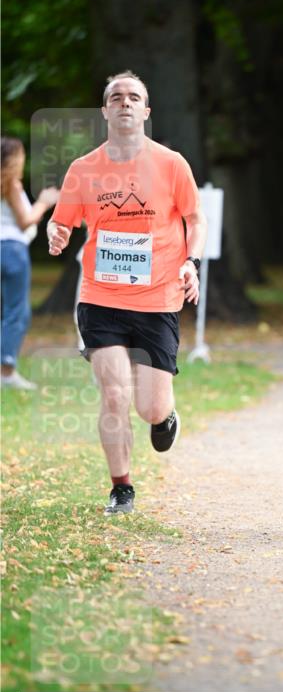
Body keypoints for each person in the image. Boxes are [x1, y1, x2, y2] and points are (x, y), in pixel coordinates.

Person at [47, 70, 207, 515]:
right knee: (114, 393)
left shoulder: (171, 163)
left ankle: (165, 416)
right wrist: (56, 233)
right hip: (101, 297)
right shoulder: (83, 169)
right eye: (116, 97)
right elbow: (61, 219)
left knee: (150, 409)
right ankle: (122, 487)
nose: (124, 102)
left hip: (158, 298)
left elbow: (196, 220)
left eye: (133, 96)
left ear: (146, 110)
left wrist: (190, 263)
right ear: (104, 110)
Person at [1, 137, 59, 389]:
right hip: (13, 250)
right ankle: (6, 371)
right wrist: (44, 202)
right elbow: (25, 221)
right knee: (17, 312)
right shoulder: (11, 184)